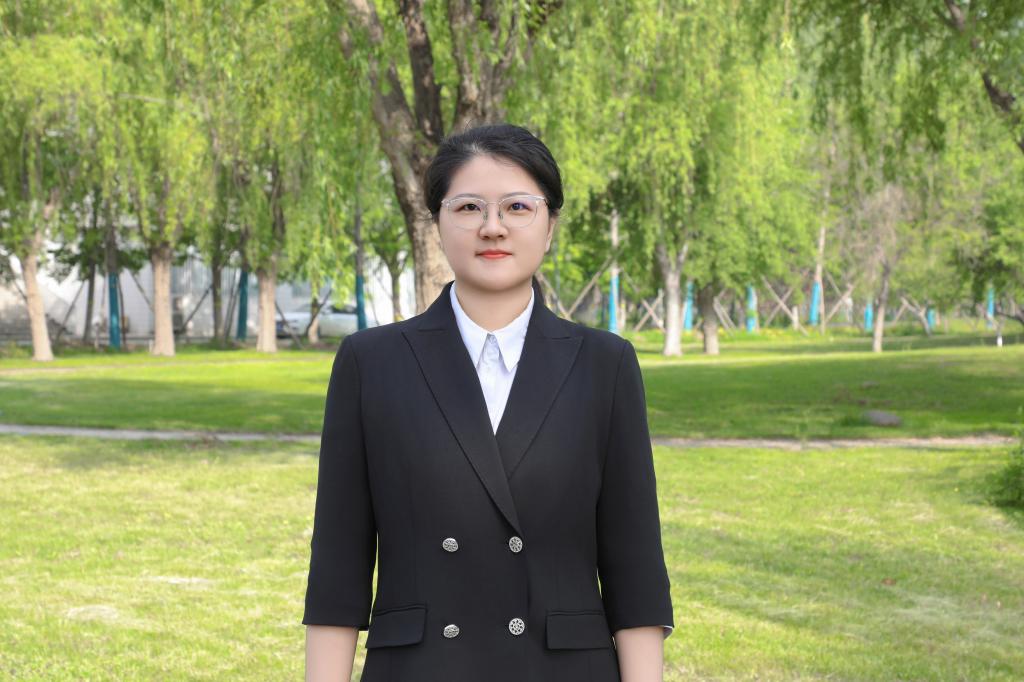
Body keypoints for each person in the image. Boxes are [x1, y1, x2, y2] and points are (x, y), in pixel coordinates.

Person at [303, 123, 673, 682]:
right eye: (469, 207)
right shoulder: (371, 362)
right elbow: (338, 572)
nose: (492, 226)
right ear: (438, 223)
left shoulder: (605, 364)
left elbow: (635, 572)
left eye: (517, 207)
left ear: (550, 226)